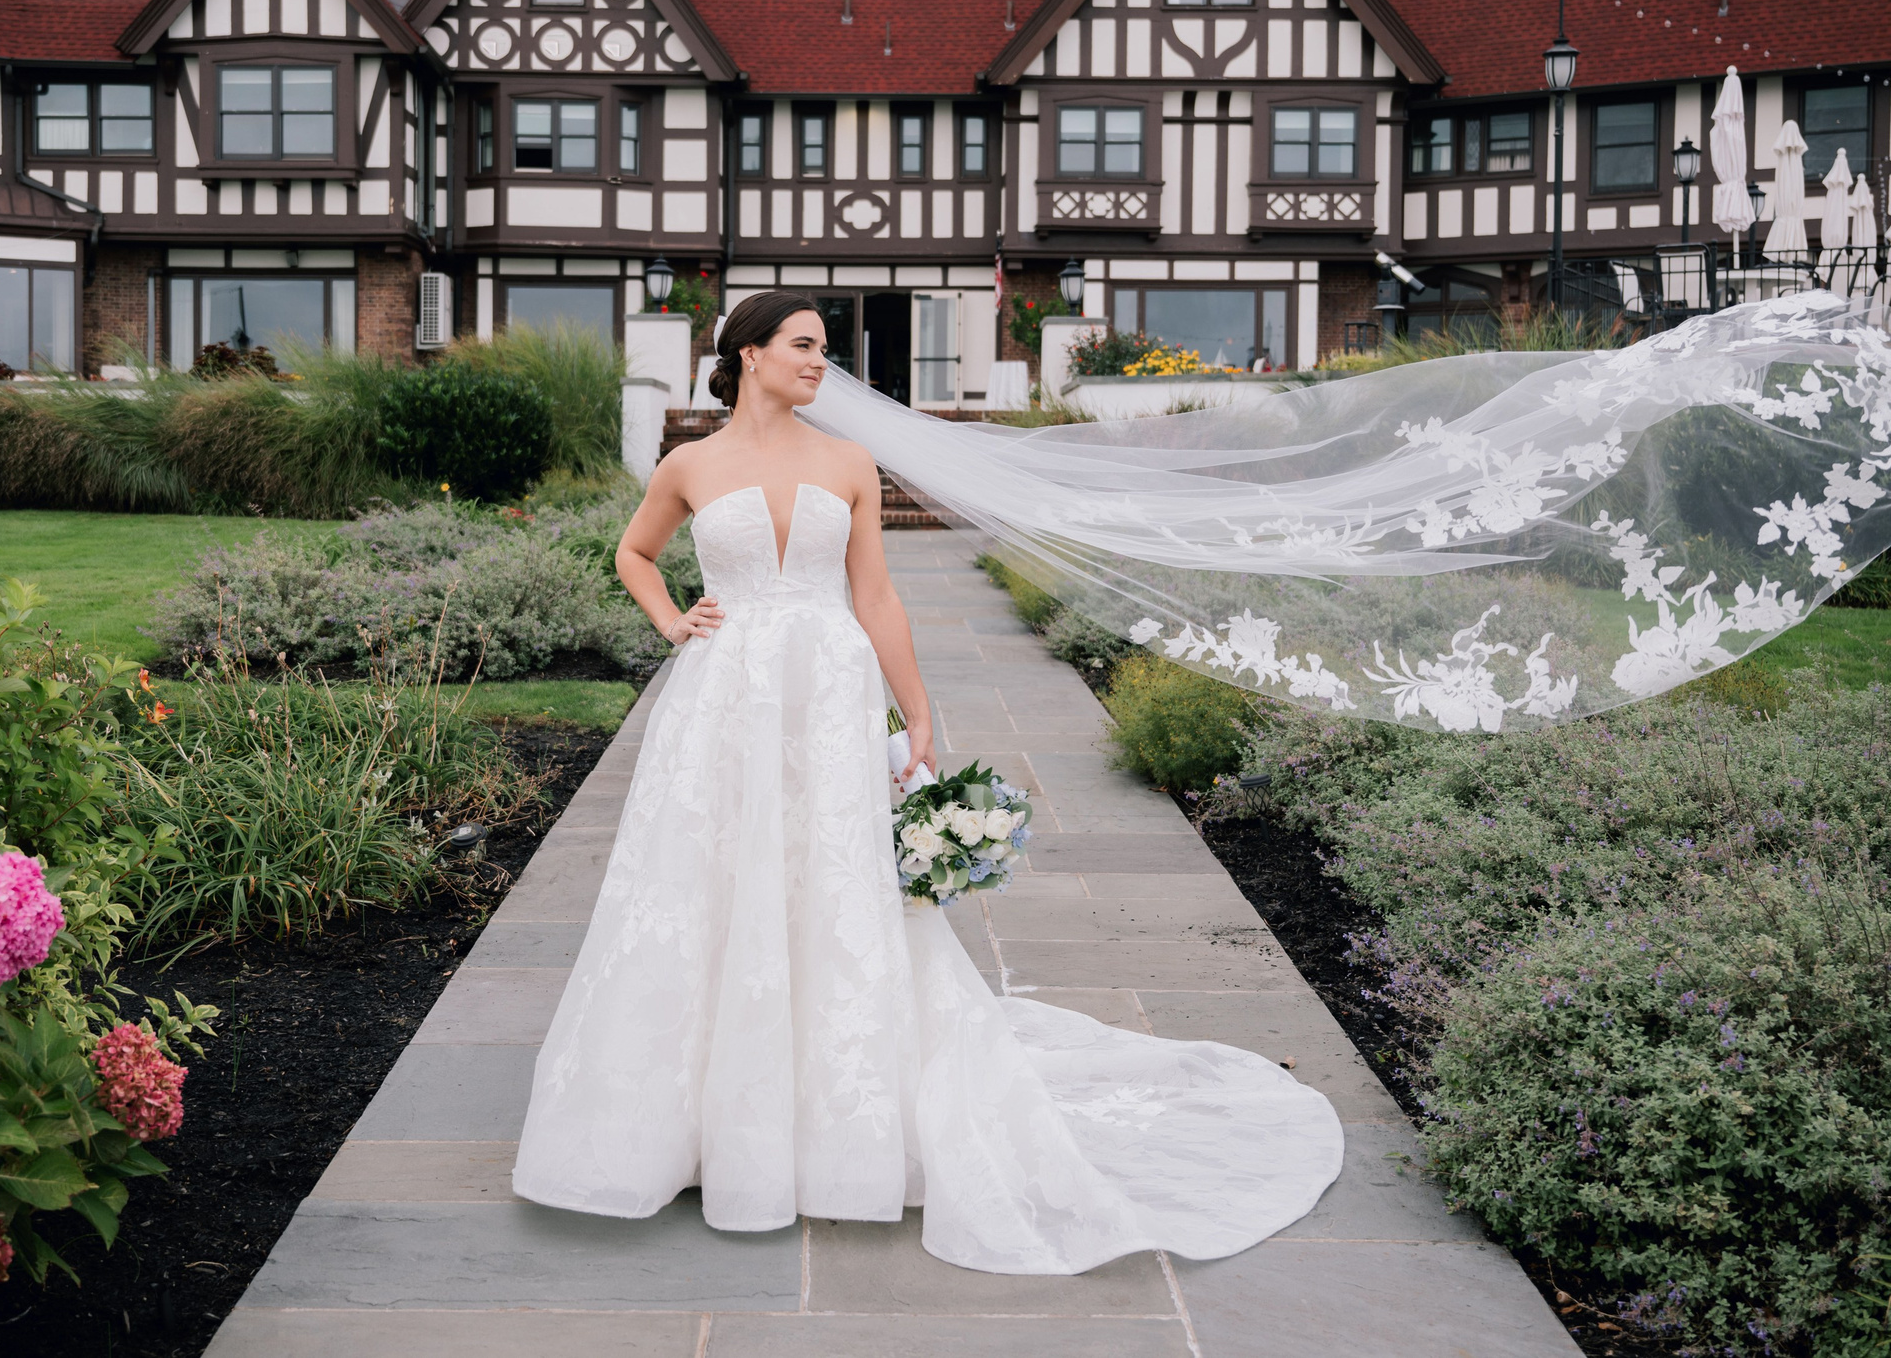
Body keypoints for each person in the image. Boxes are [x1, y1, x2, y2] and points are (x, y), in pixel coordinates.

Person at [511, 290, 1344, 1275]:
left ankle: (832, 1114)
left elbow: (874, 594)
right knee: (709, 880)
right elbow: (634, 551)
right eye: (804, 345)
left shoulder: (846, 462)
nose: (822, 362)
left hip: (827, 690)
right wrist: (668, 620)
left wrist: (916, 715)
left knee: (830, 885)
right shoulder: (690, 463)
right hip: (722, 697)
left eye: (825, 346)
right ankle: (694, 1113)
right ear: (746, 353)